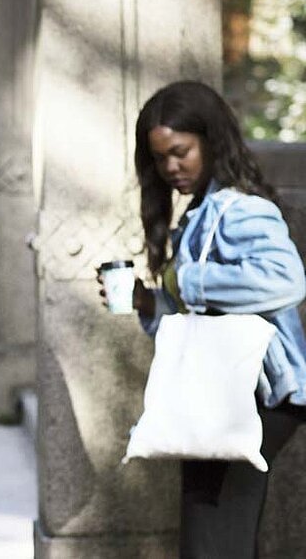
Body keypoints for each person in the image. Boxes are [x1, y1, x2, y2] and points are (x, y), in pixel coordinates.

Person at [117, 80, 306, 558]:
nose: (171, 167)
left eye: (180, 151)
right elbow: (198, 320)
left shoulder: (239, 209)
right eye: (159, 158)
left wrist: (188, 280)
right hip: (230, 391)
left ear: (211, 141)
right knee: (219, 535)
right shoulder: (201, 213)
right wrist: (149, 303)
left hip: (259, 393)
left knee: (214, 536)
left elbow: (285, 279)